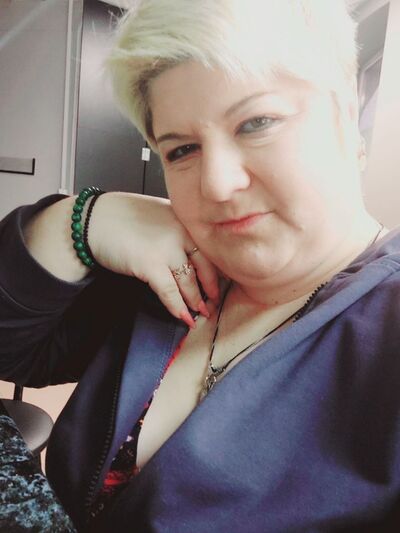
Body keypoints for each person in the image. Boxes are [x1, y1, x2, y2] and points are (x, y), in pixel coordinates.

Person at [1, 0, 400, 531]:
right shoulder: (167, 274)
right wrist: (80, 219)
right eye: (182, 150)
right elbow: (13, 350)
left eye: (256, 123)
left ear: (347, 116)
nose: (216, 184)